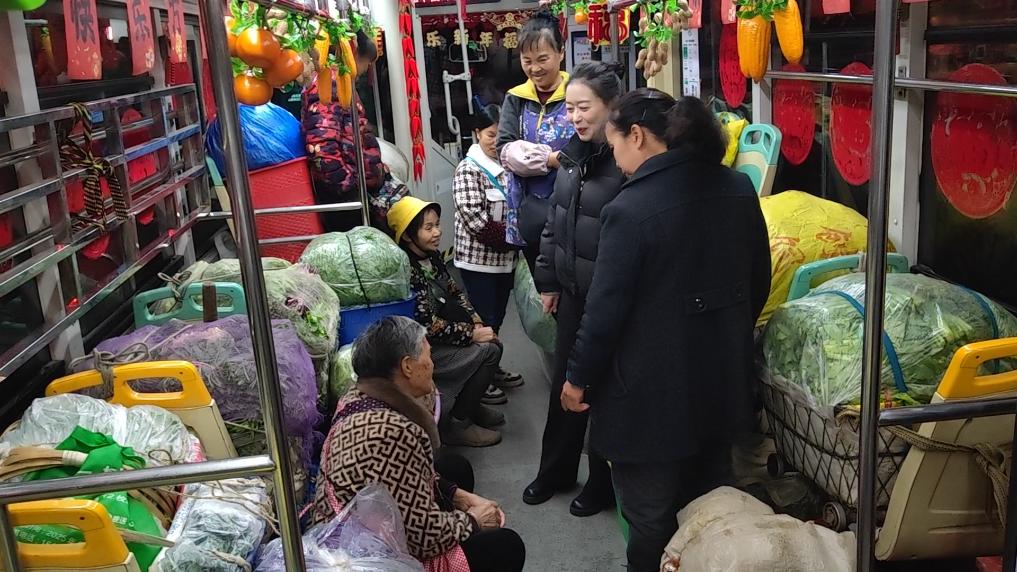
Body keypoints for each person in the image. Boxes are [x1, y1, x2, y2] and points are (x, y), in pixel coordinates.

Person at [561, 89, 772, 572]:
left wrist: (577, 378)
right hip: (721, 388)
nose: (615, 158)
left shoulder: (630, 210)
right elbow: (757, 281)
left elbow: (604, 313)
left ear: (636, 135)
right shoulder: (737, 188)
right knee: (711, 513)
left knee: (650, 521)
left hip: (650, 402)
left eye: (615, 144)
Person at [314, 316, 525, 571]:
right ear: (407, 366)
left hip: (353, 527)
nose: (432, 364)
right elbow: (422, 538)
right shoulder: (393, 432)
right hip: (358, 556)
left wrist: (456, 495)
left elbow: (404, 482)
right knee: (506, 546)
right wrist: (472, 520)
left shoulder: (355, 397)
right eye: (428, 355)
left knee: (453, 468)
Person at [523, 61, 625, 517]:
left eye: (585, 107)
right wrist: (548, 279)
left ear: (611, 106)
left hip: (609, 298)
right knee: (563, 386)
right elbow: (554, 222)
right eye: (570, 108)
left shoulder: (624, 164)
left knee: (601, 390)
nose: (576, 117)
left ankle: (602, 483)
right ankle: (556, 470)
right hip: (571, 292)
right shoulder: (568, 158)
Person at [388, 197, 507, 447]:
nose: (437, 232)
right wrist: (471, 334)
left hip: (447, 337)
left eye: (437, 225)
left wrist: (475, 321)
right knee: (490, 351)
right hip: (424, 349)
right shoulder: (407, 271)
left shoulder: (433, 258)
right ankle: (458, 423)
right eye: (428, 227)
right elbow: (427, 326)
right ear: (408, 236)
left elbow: (455, 292)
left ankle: (471, 406)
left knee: (492, 341)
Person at [453, 104, 525, 402]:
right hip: (479, 263)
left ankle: (491, 368)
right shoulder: (468, 169)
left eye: (502, 135)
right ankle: (477, 379)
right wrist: (515, 239)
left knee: (497, 318)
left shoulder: (510, 165)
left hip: (505, 262)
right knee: (483, 320)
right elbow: (475, 220)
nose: (496, 141)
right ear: (477, 133)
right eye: (490, 134)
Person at [497, 10, 575, 272]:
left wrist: (534, 155)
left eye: (543, 59)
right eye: (527, 60)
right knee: (541, 277)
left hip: (572, 205)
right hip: (530, 209)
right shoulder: (516, 98)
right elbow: (503, 148)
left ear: (561, 53)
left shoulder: (578, 92)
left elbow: (588, 145)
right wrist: (549, 159)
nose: (535, 68)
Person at [302, 30, 386, 231]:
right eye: (367, 63)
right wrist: (347, 183)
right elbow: (321, 143)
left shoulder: (340, 81)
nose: (366, 69)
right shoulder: (330, 83)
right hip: (343, 193)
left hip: (352, 186)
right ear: (354, 54)